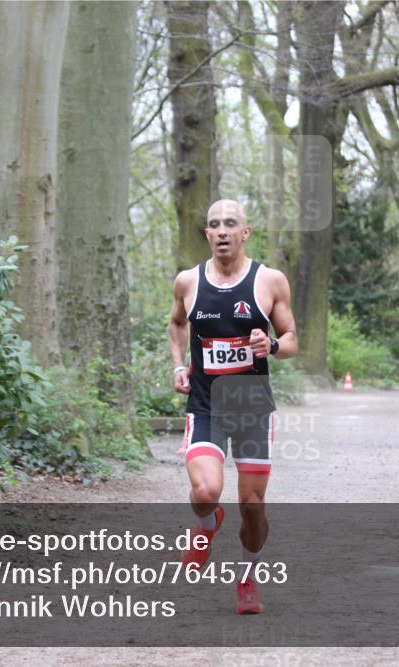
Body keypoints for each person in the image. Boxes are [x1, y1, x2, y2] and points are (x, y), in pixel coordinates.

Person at [168, 199, 297, 615]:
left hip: (251, 410)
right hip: (205, 406)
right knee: (206, 492)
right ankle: (206, 526)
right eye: (213, 225)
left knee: (253, 507)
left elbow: (292, 339)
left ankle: (247, 577)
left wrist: (272, 345)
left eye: (230, 224)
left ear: (245, 233)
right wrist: (178, 365)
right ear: (206, 234)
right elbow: (176, 324)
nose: (221, 231)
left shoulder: (270, 281)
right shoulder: (188, 282)